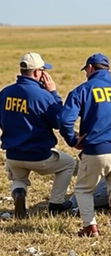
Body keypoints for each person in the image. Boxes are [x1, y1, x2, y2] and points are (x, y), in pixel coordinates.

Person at [60, 53, 111, 237]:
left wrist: (73, 140)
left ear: (90, 69)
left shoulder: (82, 90)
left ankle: (90, 227)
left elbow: (65, 120)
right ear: (108, 69)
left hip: (96, 150)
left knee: (84, 190)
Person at [0, 52, 76, 219]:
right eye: (43, 70)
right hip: (39, 156)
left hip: (13, 154)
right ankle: (56, 203)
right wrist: (53, 93)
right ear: (36, 73)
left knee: (19, 178)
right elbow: (59, 122)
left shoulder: (5, 93)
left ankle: (19, 194)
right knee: (68, 164)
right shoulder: (43, 96)